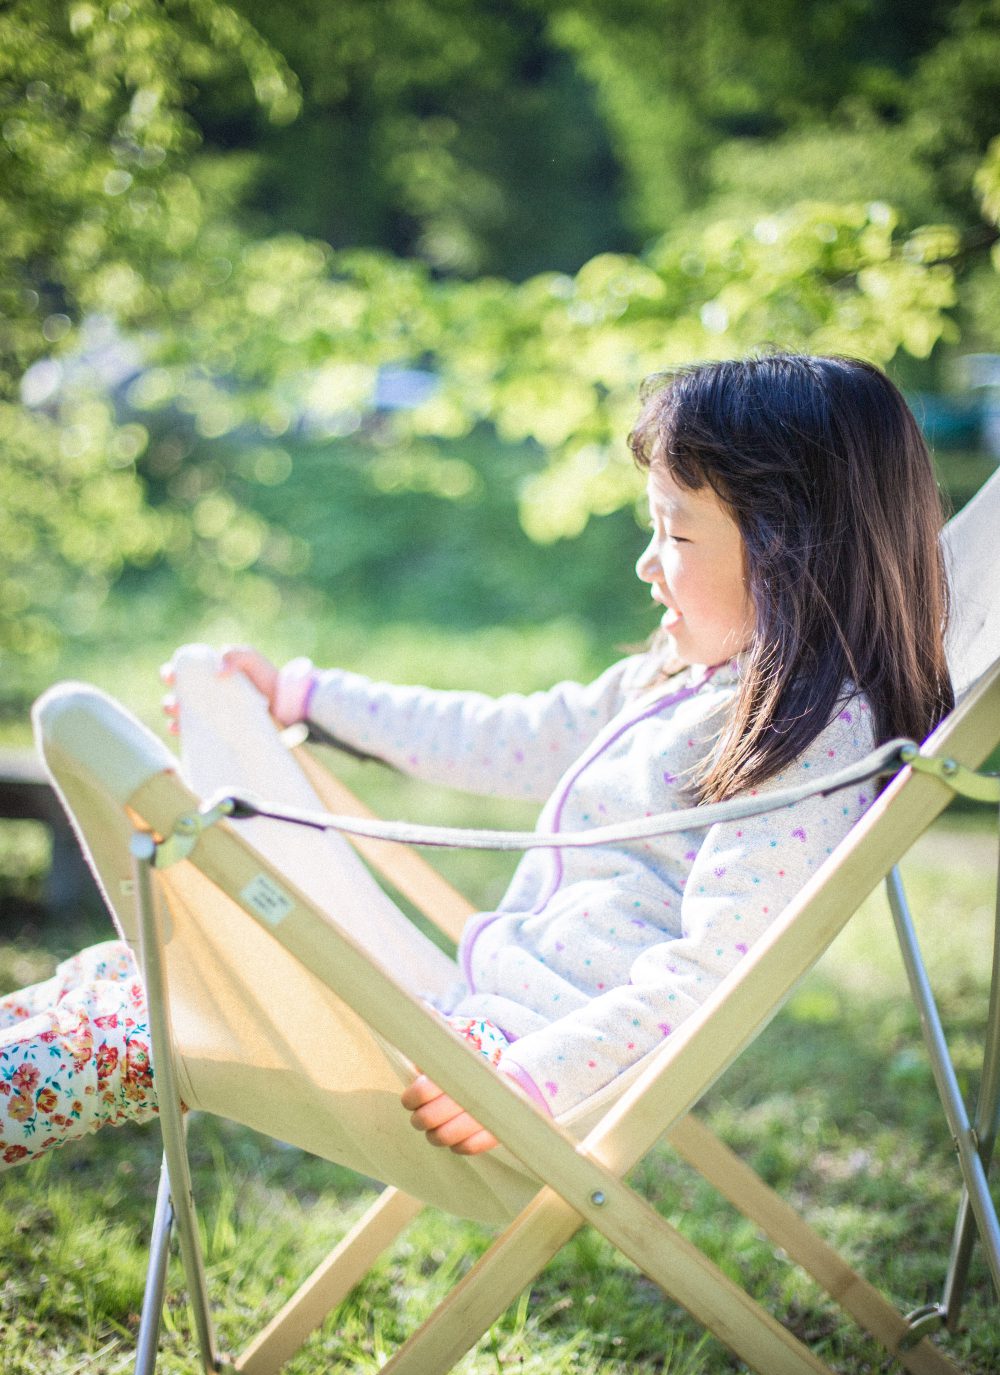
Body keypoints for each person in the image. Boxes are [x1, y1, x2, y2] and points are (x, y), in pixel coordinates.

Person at [0, 353, 953, 1169]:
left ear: (789, 556)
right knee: (122, 979)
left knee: (153, 1014)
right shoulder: (690, 683)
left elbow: (710, 975)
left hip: (499, 1059)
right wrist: (307, 698)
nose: (646, 563)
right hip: (468, 1017)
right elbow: (506, 735)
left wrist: (535, 1080)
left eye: (675, 531)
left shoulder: (809, 741)